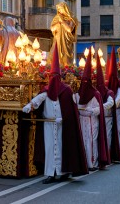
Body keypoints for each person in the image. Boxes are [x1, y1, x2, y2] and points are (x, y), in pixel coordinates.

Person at [22, 42, 88, 184]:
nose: (54, 81)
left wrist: (64, 119)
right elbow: (38, 100)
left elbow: (72, 110)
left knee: (63, 147)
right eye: (52, 77)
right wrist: (29, 106)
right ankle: (50, 173)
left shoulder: (66, 90)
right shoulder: (46, 91)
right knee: (50, 148)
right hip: (48, 124)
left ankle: (64, 171)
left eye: (56, 77)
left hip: (62, 125)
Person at [73, 49, 110, 171]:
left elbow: (99, 109)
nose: (84, 84)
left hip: (92, 120)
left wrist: (90, 110)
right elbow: (75, 104)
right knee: (83, 141)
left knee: (92, 142)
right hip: (82, 120)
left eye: (86, 81)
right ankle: (84, 162)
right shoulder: (78, 94)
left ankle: (93, 163)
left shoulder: (96, 94)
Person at [96, 54, 120, 163]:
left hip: (108, 116)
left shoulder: (110, 92)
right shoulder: (96, 92)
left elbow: (112, 103)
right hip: (97, 117)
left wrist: (99, 108)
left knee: (108, 136)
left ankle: (109, 154)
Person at [48, 2, 78, 66]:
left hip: (66, 42)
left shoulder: (71, 18)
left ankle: (67, 71)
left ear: (65, 9)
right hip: (57, 41)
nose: (59, 11)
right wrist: (58, 23)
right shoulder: (56, 18)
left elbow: (69, 29)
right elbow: (52, 28)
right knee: (52, 57)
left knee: (66, 60)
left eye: (60, 9)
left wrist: (62, 21)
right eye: (58, 9)